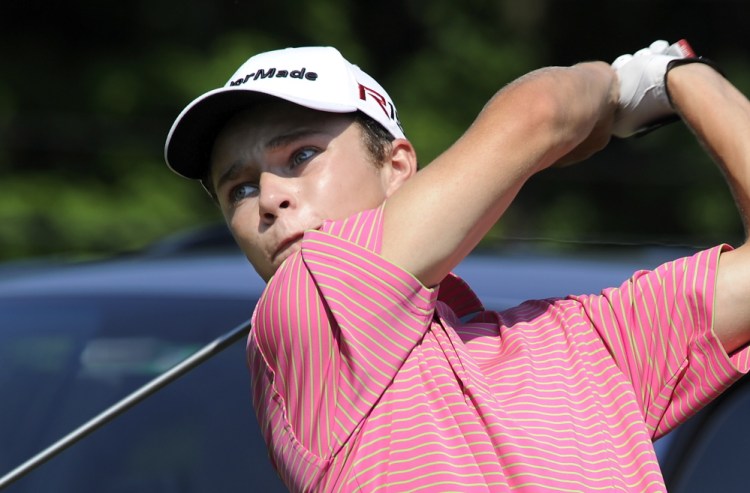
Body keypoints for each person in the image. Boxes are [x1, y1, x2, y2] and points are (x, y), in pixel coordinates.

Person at [163, 41, 750, 492]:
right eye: (238, 189)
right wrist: (626, 82)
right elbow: (540, 112)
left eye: (302, 155)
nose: (269, 197)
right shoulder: (301, 314)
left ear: (397, 165)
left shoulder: (585, 341)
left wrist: (684, 81)